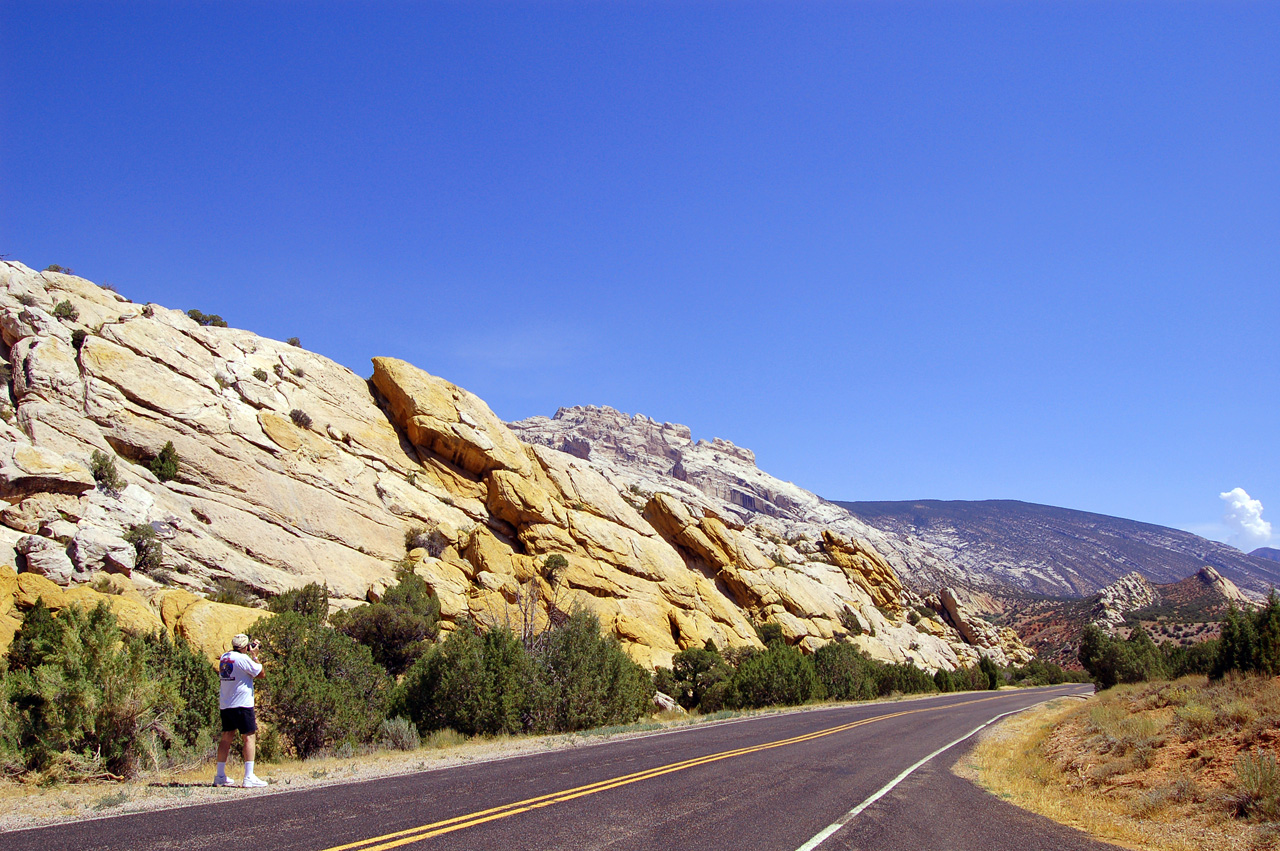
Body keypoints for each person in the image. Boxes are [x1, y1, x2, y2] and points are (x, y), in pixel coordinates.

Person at [214, 633, 266, 788]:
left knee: (226, 738)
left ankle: (220, 775)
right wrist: (255, 656)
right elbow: (261, 674)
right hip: (242, 704)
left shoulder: (225, 657)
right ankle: (249, 776)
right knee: (249, 737)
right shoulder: (243, 659)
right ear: (244, 647)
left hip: (226, 703)